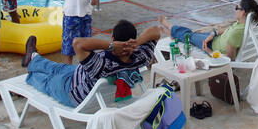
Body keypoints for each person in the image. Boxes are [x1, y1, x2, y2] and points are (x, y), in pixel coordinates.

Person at [21, 17, 169, 106]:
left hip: (72, 91)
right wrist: (136, 43)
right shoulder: (140, 56)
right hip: (80, 75)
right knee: (59, 68)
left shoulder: (103, 65)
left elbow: (77, 43)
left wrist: (111, 46)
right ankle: (34, 57)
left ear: (113, 39)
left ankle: (31, 68)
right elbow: (156, 30)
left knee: (47, 81)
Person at [170, 0, 258, 61]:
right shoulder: (244, 24)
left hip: (212, 46)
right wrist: (214, 33)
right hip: (215, 38)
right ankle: (173, 31)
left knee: (189, 36)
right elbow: (229, 29)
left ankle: (170, 28)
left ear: (243, 12)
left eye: (237, 8)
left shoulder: (236, 33)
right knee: (194, 34)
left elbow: (230, 59)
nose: (235, 10)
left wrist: (209, 52)